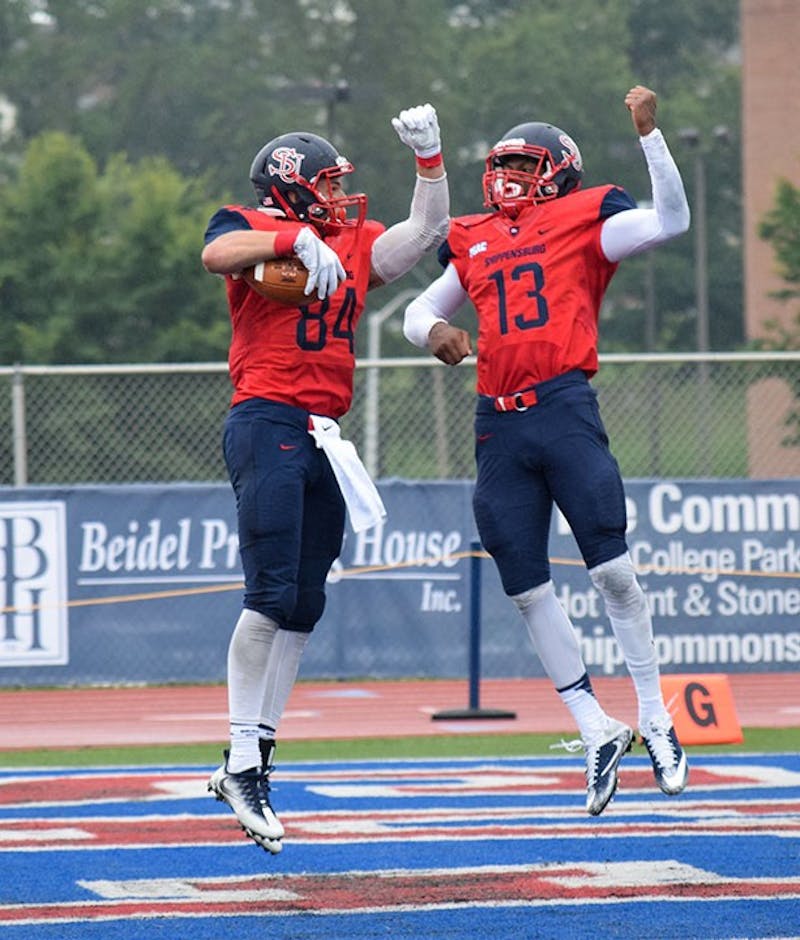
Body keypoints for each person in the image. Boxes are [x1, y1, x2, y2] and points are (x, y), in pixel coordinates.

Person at [403, 86, 690, 816]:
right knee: (525, 586)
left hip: (563, 408)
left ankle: (655, 716)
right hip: (497, 424)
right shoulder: (471, 235)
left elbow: (672, 220)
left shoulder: (584, 215)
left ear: (558, 172)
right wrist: (430, 333)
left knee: (614, 572)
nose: (508, 179)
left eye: (525, 166)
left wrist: (652, 136)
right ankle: (597, 729)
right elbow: (418, 307)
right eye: (503, 165)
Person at [201, 104, 449, 851]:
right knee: (270, 593)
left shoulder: (351, 239)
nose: (339, 198)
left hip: (324, 435)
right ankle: (240, 758)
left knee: (305, 604)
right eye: (328, 186)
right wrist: (289, 237)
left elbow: (424, 235)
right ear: (292, 189)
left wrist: (431, 162)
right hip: (267, 418)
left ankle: (258, 753)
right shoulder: (249, 224)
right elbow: (217, 254)